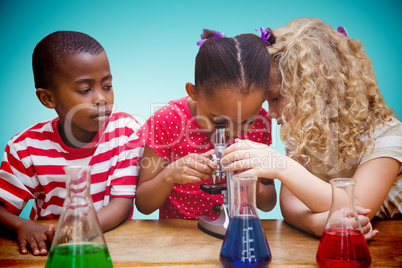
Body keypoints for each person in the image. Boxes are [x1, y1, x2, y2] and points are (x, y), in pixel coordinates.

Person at [222, 17, 402, 239]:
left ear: (314, 90)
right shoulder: (303, 133)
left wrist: (282, 166)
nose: (270, 112)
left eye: (276, 98)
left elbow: (356, 205)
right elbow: (289, 204)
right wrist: (318, 223)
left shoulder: (387, 134)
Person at [0, 31, 143, 256]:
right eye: (85, 90)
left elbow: (122, 205)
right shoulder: (25, 147)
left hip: (112, 248)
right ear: (48, 98)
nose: (101, 98)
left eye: (107, 86)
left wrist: (79, 230)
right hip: (53, 251)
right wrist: (23, 225)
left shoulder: (124, 131)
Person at [136, 29, 277, 219]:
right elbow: (143, 204)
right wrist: (169, 175)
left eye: (246, 122)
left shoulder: (262, 122)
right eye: (219, 122)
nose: (231, 133)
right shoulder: (166, 121)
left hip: (236, 231)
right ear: (193, 92)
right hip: (179, 237)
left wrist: (254, 182)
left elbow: (268, 203)